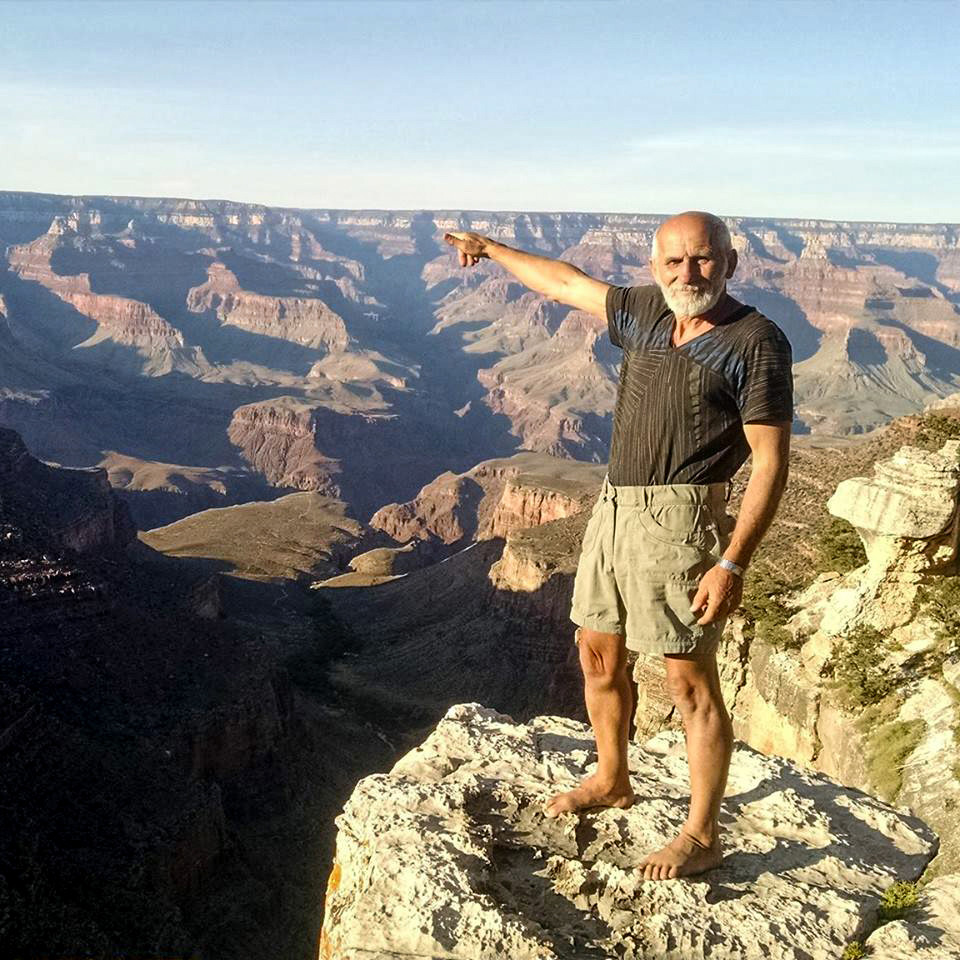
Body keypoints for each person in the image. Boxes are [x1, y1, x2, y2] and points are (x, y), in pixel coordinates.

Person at [445, 211, 793, 880]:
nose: (688, 274)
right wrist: (489, 248)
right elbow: (565, 283)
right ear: (653, 266)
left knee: (687, 680)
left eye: (702, 260)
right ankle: (612, 777)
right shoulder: (641, 313)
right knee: (597, 652)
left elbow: (771, 463)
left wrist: (731, 560)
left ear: (730, 261)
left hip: (682, 518)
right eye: (673, 262)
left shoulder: (756, 341)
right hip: (613, 507)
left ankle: (700, 833)